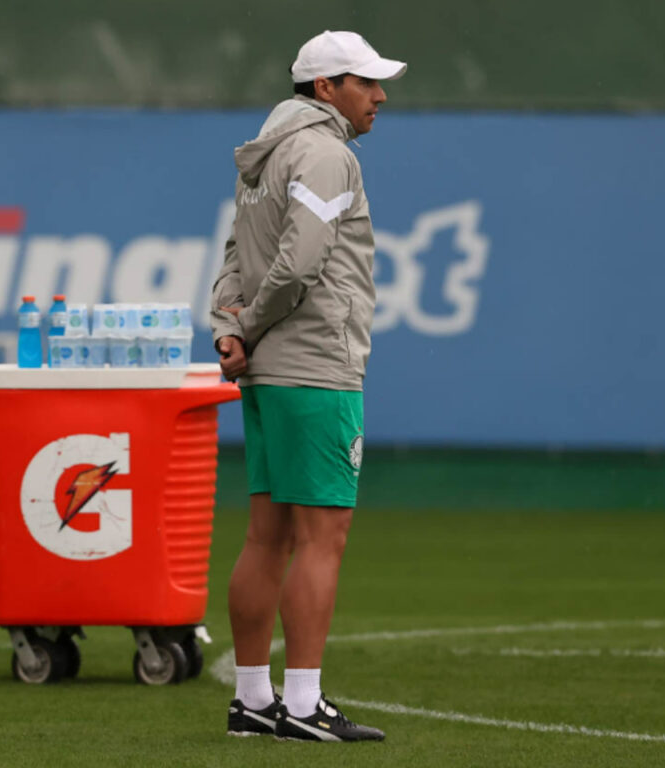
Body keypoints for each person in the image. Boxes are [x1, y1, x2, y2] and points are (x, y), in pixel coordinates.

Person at [211, 30, 406, 743]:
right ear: (326, 88)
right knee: (324, 536)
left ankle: (253, 701)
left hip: (268, 372)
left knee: (268, 535)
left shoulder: (266, 151)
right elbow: (297, 266)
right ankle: (301, 707)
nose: (379, 95)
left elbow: (237, 254)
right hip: (316, 364)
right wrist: (253, 326)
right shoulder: (327, 154)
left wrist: (228, 329)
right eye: (365, 82)